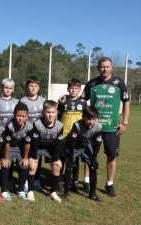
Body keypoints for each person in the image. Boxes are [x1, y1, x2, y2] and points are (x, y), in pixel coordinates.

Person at [81, 57, 130, 197]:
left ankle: (109, 184)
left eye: (107, 67)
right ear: (98, 68)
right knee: (89, 154)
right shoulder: (92, 83)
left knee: (111, 156)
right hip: (93, 126)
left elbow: (126, 102)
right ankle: (86, 181)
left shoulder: (119, 83)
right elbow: (82, 102)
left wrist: (125, 122)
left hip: (112, 127)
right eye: (102, 67)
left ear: (112, 67)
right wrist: (86, 119)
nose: (105, 69)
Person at [62, 106, 103, 202]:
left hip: (86, 145)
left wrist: (94, 158)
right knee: (69, 166)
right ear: (83, 117)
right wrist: (71, 158)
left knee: (93, 167)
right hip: (75, 145)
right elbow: (72, 142)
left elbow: (97, 143)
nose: (91, 122)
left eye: (93, 119)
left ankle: (92, 194)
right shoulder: (77, 125)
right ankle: (66, 193)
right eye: (88, 119)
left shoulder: (98, 126)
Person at [58, 78, 89, 193]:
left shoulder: (83, 102)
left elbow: (86, 118)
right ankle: (59, 181)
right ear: (68, 89)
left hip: (77, 135)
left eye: (76, 88)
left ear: (80, 90)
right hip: (64, 134)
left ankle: (74, 182)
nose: (73, 90)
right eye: (71, 88)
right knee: (62, 158)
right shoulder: (63, 101)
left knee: (74, 160)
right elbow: (58, 116)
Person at [30, 100, 65, 202]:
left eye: (53, 112)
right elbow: (35, 143)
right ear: (43, 112)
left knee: (57, 166)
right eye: (48, 112)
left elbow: (59, 144)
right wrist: (34, 157)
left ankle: (53, 192)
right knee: (33, 164)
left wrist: (56, 159)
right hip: (39, 147)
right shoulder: (37, 123)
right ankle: (30, 191)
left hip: (51, 148)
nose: (50, 115)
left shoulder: (60, 125)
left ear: (57, 112)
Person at [0, 102, 34, 201]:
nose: (21, 118)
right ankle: (4, 190)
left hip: (21, 147)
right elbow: (6, 144)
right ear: (14, 115)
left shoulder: (29, 127)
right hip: (9, 147)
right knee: (6, 165)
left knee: (23, 165)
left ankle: (21, 190)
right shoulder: (9, 125)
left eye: (23, 116)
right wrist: (5, 158)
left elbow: (27, 144)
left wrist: (25, 158)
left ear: (27, 116)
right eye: (18, 115)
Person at [20, 77, 46, 190]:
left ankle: (36, 179)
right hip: (26, 133)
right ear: (27, 87)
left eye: (35, 86)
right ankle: (25, 179)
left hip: (39, 134)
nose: (33, 88)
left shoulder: (43, 100)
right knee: (25, 156)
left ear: (39, 88)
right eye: (31, 85)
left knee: (36, 157)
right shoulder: (22, 101)